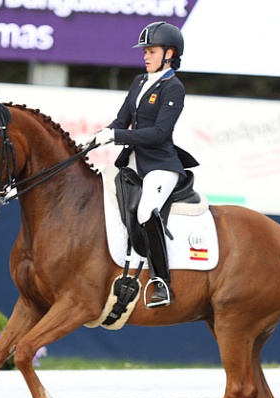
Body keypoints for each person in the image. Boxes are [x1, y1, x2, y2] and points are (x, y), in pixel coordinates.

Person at [84, 21, 198, 308]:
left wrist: (116, 135)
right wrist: (98, 137)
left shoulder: (174, 88)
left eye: (151, 51)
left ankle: (161, 281)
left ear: (169, 53)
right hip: (134, 162)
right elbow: (121, 121)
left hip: (161, 165)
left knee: (147, 211)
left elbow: (159, 133)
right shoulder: (138, 81)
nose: (145, 56)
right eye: (145, 51)